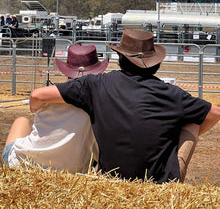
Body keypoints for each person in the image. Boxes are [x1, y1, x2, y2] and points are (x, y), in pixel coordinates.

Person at [13, 29, 220, 184]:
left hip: (112, 180)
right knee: (192, 122)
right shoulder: (172, 94)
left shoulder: (97, 85)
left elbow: (38, 95)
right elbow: (214, 113)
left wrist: (34, 110)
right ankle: (174, 177)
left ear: (120, 58)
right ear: (156, 63)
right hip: (160, 183)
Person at [1, 45, 109, 174]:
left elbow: (34, 102)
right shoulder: (98, 104)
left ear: (66, 71)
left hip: (24, 164)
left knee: (22, 121)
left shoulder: (49, 96)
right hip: (71, 171)